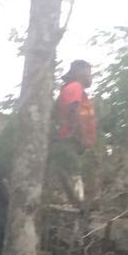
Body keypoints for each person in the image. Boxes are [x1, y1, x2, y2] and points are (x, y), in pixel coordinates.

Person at [52, 60, 96, 204]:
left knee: (74, 175)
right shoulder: (75, 87)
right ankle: (76, 207)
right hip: (69, 140)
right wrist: (81, 136)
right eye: (88, 73)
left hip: (72, 141)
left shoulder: (78, 91)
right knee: (73, 176)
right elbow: (73, 110)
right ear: (78, 73)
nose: (90, 77)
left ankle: (76, 204)